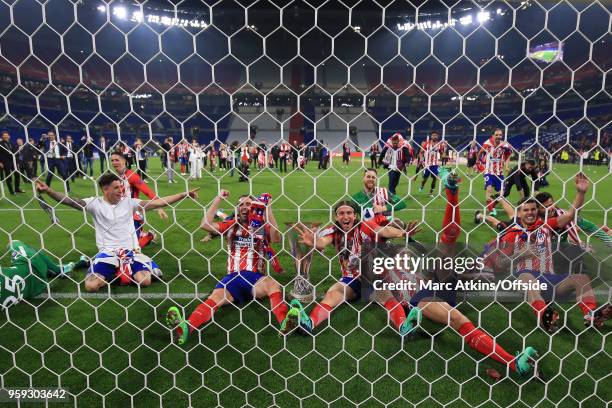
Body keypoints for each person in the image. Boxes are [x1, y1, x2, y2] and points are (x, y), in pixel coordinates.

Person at [485, 174, 610, 331]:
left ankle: (591, 314)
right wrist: (520, 254)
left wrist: (581, 192)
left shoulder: (545, 226)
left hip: (551, 280)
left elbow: (570, 215)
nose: (530, 213)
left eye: (533, 210)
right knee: (527, 277)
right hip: (526, 279)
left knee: (581, 278)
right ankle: (545, 315)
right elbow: (499, 264)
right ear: (519, 213)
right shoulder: (512, 234)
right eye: (526, 210)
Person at [35, 174, 197, 293]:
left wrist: (184, 194)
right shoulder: (94, 204)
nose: (121, 190)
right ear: (105, 190)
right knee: (91, 286)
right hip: (107, 253)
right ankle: (119, 272)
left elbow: (157, 203)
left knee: (145, 281)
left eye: (121, 187)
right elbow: (70, 201)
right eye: (117, 188)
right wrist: (48, 190)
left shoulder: (129, 203)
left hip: (131, 252)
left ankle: (122, 271)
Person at [280, 200, 420, 336]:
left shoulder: (365, 226)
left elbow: (383, 231)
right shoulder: (334, 230)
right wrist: (314, 241)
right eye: (341, 213)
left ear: (355, 216)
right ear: (336, 216)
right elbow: (322, 242)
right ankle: (309, 323)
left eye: (349, 212)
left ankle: (404, 326)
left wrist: (401, 233)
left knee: (388, 296)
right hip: (350, 278)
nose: (345, 216)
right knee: (332, 294)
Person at [165, 191, 288, 345]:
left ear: (255, 207)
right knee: (215, 298)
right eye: (240, 204)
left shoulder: (261, 227)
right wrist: (218, 199)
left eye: (248, 204)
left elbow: (276, 237)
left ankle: (285, 322)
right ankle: (186, 327)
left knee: (272, 284)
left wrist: (267, 208)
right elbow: (205, 225)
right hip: (233, 279)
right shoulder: (231, 226)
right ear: (237, 209)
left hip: (256, 280)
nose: (244, 207)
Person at [1, 240, 87, 309]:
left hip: (34, 290)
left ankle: (55, 271)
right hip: (32, 271)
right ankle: (60, 270)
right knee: (13, 243)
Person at [110, 152, 168, 249]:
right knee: (119, 245)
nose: (114, 162)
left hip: (133, 215)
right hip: (120, 215)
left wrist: (159, 207)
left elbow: (148, 191)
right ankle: (141, 235)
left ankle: (149, 235)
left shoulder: (132, 176)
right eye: (112, 160)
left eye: (117, 160)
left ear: (124, 161)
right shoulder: (115, 177)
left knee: (133, 248)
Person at [478, 128, 512, 216]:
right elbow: (480, 153)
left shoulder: (505, 145)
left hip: (499, 173)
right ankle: (491, 210)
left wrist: (507, 166)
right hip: (488, 171)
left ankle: (492, 202)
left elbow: (508, 155)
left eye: (500, 135)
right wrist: (478, 164)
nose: (498, 136)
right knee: (489, 189)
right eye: (496, 135)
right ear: (493, 136)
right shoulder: (487, 143)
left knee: (502, 193)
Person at [418, 131, 445, 196]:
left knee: (435, 178)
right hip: (427, 164)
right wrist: (421, 160)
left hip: (435, 164)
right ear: (431, 136)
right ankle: (422, 186)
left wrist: (442, 156)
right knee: (425, 179)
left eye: (436, 135)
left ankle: (430, 192)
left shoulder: (439, 145)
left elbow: (442, 153)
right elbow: (421, 153)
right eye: (433, 135)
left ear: (438, 136)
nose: (435, 137)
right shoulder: (426, 144)